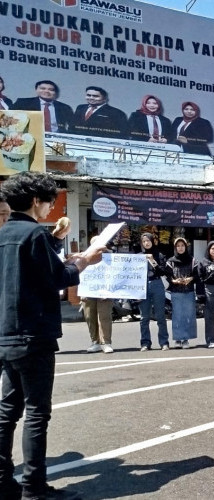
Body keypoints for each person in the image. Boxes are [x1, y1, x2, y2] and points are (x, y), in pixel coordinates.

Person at [0, 172, 104, 499]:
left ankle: (3, 481)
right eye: (48, 201)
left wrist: (57, 241)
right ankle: (34, 489)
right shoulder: (33, 235)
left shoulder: (5, 234)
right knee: (36, 413)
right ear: (35, 201)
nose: (49, 207)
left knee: (8, 412)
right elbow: (58, 277)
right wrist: (87, 259)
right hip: (34, 335)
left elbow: (27, 268)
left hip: (7, 334)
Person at [138, 233, 170, 351]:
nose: (146, 243)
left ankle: (164, 342)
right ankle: (145, 343)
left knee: (160, 315)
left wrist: (153, 260)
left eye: (148, 240)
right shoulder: (138, 256)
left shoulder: (159, 255)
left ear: (153, 241)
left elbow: (163, 272)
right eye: (144, 241)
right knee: (144, 317)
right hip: (142, 286)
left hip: (157, 284)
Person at [81, 238, 114, 354]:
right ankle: (95, 342)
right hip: (88, 291)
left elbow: (116, 273)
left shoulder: (111, 256)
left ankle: (106, 342)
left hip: (105, 292)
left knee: (104, 317)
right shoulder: (85, 256)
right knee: (90, 317)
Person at [165, 237, 198, 348]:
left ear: (186, 246)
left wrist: (191, 279)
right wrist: (174, 281)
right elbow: (167, 276)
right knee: (177, 316)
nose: (180, 248)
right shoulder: (170, 261)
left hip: (189, 291)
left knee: (188, 315)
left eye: (182, 245)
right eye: (178, 246)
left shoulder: (192, 260)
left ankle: (186, 339)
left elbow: (197, 275)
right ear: (175, 248)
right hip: (176, 292)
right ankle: (178, 339)